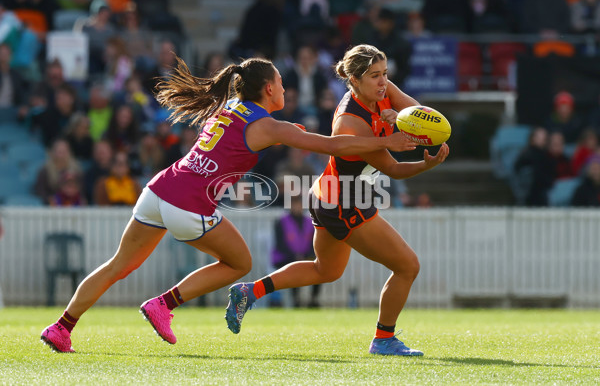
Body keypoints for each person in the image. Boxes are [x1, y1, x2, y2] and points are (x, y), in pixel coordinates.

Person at [40, 53, 418, 353]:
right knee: (240, 263)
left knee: (117, 266)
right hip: (189, 204)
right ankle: (164, 304)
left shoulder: (230, 107)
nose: (285, 89)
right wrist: (389, 142)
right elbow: (334, 146)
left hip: (159, 190)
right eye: (282, 83)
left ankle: (62, 327)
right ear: (269, 89)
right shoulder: (269, 125)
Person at [225, 44, 449, 357]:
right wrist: (425, 163)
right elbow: (393, 168)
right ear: (355, 80)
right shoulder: (350, 121)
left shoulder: (382, 90)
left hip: (329, 195)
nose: (383, 82)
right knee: (407, 266)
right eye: (375, 76)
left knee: (325, 271)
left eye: (385, 74)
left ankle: (250, 291)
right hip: (345, 202)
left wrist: (401, 118)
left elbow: (418, 114)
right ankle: (384, 339)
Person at [270, 195, 320, 308]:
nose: (297, 207)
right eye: (295, 204)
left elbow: (314, 243)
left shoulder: (310, 222)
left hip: (305, 256)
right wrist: (295, 256)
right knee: (294, 268)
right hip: (285, 257)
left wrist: (306, 255)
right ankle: (295, 299)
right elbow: (280, 245)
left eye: (299, 204)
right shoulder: (281, 222)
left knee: (320, 268)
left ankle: (314, 298)